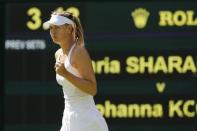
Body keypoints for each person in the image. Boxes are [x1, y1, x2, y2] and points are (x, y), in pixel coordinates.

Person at [43, 11, 109, 131]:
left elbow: (92, 89)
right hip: (68, 117)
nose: (52, 31)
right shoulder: (58, 54)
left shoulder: (79, 52)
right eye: (51, 28)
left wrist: (65, 74)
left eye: (57, 27)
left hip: (86, 119)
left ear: (69, 29)